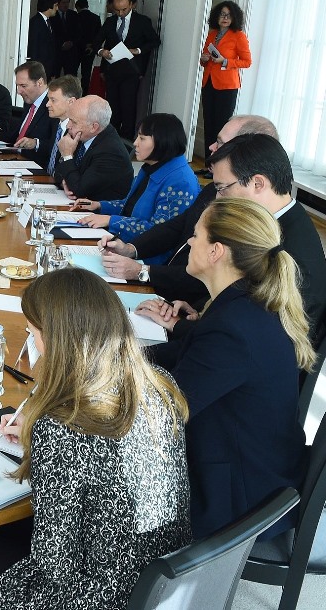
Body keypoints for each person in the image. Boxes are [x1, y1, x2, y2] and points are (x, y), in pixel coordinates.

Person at [0, 268, 190, 609]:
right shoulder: (158, 383)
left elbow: (53, 564)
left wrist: (45, 446)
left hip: (96, 596)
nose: (34, 343)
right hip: (161, 579)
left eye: (32, 333)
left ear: (54, 339)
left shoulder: (61, 425)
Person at [141, 198, 314, 540]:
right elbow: (184, 354)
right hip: (257, 468)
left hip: (238, 500)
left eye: (196, 235)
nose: (189, 241)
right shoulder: (243, 303)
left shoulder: (234, 327)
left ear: (216, 251)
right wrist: (118, 355)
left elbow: (164, 410)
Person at [141, 133, 326, 345]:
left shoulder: (290, 253)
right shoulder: (277, 219)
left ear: (257, 184)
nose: (217, 198)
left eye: (222, 189)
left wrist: (182, 325)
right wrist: (201, 311)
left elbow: (251, 337)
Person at [99, 115, 279, 307]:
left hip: (180, 296)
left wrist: (142, 271)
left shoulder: (258, 224)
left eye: (220, 143)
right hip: (169, 290)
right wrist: (131, 249)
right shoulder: (214, 190)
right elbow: (177, 225)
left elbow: (213, 277)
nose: (211, 147)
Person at [73, 113, 200, 257]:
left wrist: (110, 220)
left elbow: (159, 232)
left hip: (148, 258)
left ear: (162, 141)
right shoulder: (151, 166)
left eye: (142, 138)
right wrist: (99, 205)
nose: (135, 143)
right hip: (126, 244)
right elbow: (130, 206)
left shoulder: (180, 182)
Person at [95, 0, 161, 138]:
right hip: (112, 70)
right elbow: (96, 42)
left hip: (132, 71)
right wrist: (101, 51)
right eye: (117, 10)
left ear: (132, 5)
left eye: (124, 9)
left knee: (128, 106)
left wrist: (137, 50)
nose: (120, 13)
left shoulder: (142, 21)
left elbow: (154, 41)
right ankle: (110, 138)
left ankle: (126, 141)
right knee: (111, 106)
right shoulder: (110, 21)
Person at [199, 0, 252, 166]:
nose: (225, 18)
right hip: (209, 83)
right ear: (217, 16)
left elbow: (247, 62)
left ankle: (219, 166)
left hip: (227, 87)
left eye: (229, 15)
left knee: (221, 127)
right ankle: (209, 165)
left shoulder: (239, 36)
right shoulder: (212, 34)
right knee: (209, 124)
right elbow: (205, 60)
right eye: (222, 14)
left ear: (234, 18)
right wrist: (204, 59)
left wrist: (225, 61)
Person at [52, 95, 133, 200]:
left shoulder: (111, 152)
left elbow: (79, 190)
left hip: (99, 208)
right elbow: (57, 172)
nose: (68, 126)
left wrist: (67, 156)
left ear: (94, 127)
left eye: (73, 122)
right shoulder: (81, 134)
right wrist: (64, 182)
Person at [10, 61, 58, 167]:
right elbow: (18, 134)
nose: (19, 91)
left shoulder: (53, 105)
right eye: (18, 86)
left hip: (37, 167)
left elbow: (57, 145)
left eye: (23, 86)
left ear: (39, 83)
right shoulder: (30, 100)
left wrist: (36, 143)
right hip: (15, 159)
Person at [39, 74, 81, 175]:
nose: (47, 104)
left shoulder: (78, 131)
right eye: (48, 99)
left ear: (71, 102)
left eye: (53, 100)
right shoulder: (55, 123)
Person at [26, 0, 59, 80]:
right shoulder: (36, 23)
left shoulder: (48, 22)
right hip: (39, 70)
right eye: (56, 5)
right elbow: (33, 48)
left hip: (46, 70)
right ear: (49, 5)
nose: (57, 8)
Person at [75, 0, 103, 93]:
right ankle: (84, 92)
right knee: (86, 73)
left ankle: (73, 92)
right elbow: (99, 35)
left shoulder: (76, 17)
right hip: (90, 48)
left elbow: (74, 34)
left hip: (77, 48)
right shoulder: (96, 17)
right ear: (87, 6)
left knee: (73, 72)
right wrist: (93, 46)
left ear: (77, 7)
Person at [51, 0, 80, 77]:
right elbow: (52, 34)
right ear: (58, 3)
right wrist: (61, 44)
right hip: (57, 51)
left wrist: (71, 42)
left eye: (67, 2)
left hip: (71, 51)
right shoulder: (52, 15)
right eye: (63, 2)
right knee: (55, 75)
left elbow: (78, 32)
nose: (66, 5)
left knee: (70, 76)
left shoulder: (73, 14)